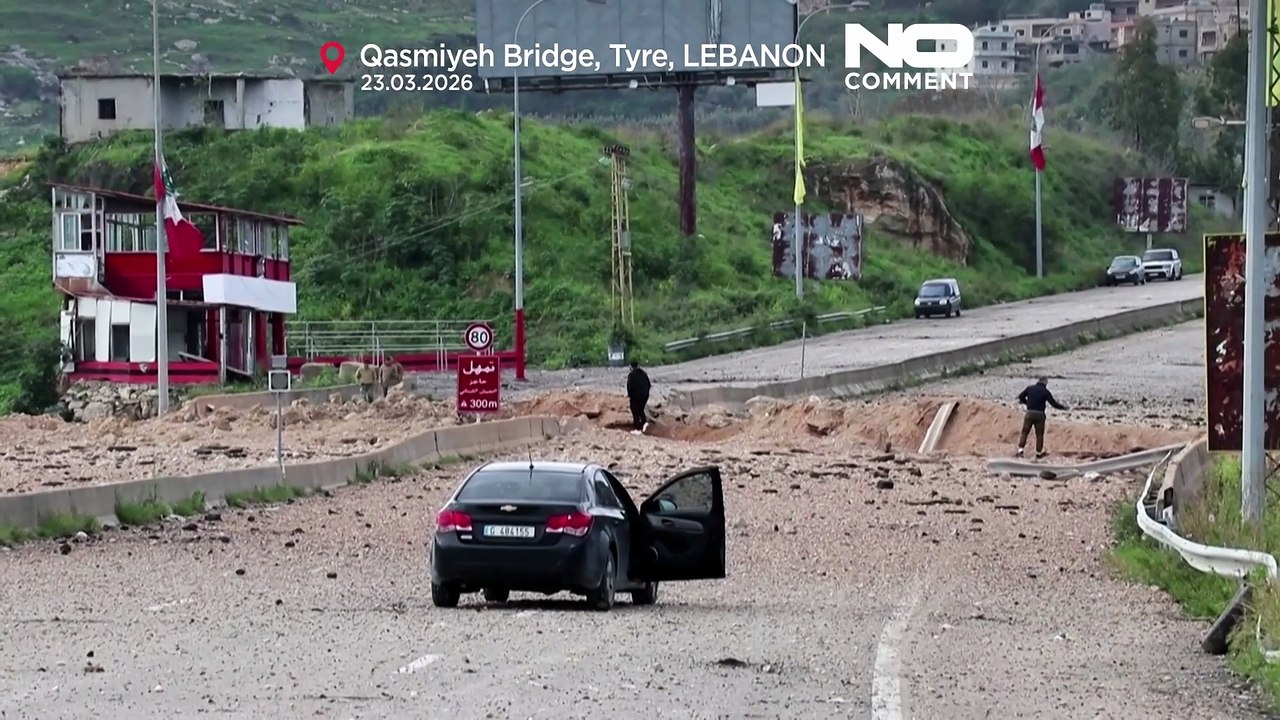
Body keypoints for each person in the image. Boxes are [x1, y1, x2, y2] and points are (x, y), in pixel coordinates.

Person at [1016, 376, 1069, 458]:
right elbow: (1053, 404)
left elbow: (1020, 396)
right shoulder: (1045, 392)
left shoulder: (1030, 388)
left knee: (1025, 432)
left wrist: (1027, 403)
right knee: (1039, 434)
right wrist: (1063, 407)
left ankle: (1020, 450)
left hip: (1029, 413)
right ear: (1045, 383)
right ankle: (1038, 453)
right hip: (1040, 414)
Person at [626, 361, 651, 434]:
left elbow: (629, 387)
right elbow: (649, 384)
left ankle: (637, 428)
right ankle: (644, 424)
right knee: (641, 410)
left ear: (631, 367)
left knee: (635, 411)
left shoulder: (631, 375)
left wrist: (630, 395)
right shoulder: (644, 374)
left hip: (635, 396)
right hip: (644, 396)